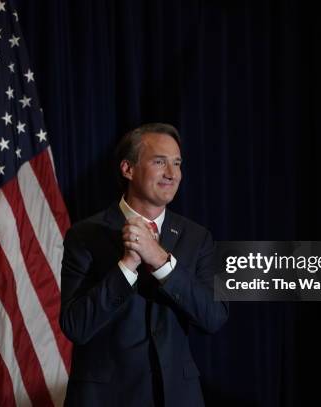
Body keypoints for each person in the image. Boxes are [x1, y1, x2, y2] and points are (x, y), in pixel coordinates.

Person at [60, 123, 229, 406]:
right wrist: (126, 266)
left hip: (176, 396)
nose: (172, 174)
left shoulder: (198, 237)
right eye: (160, 162)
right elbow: (75, 326)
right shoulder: (85, 234)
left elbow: (214, 316)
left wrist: (161, 261)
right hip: (107, 398)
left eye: (177, 164)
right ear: (128, 169)